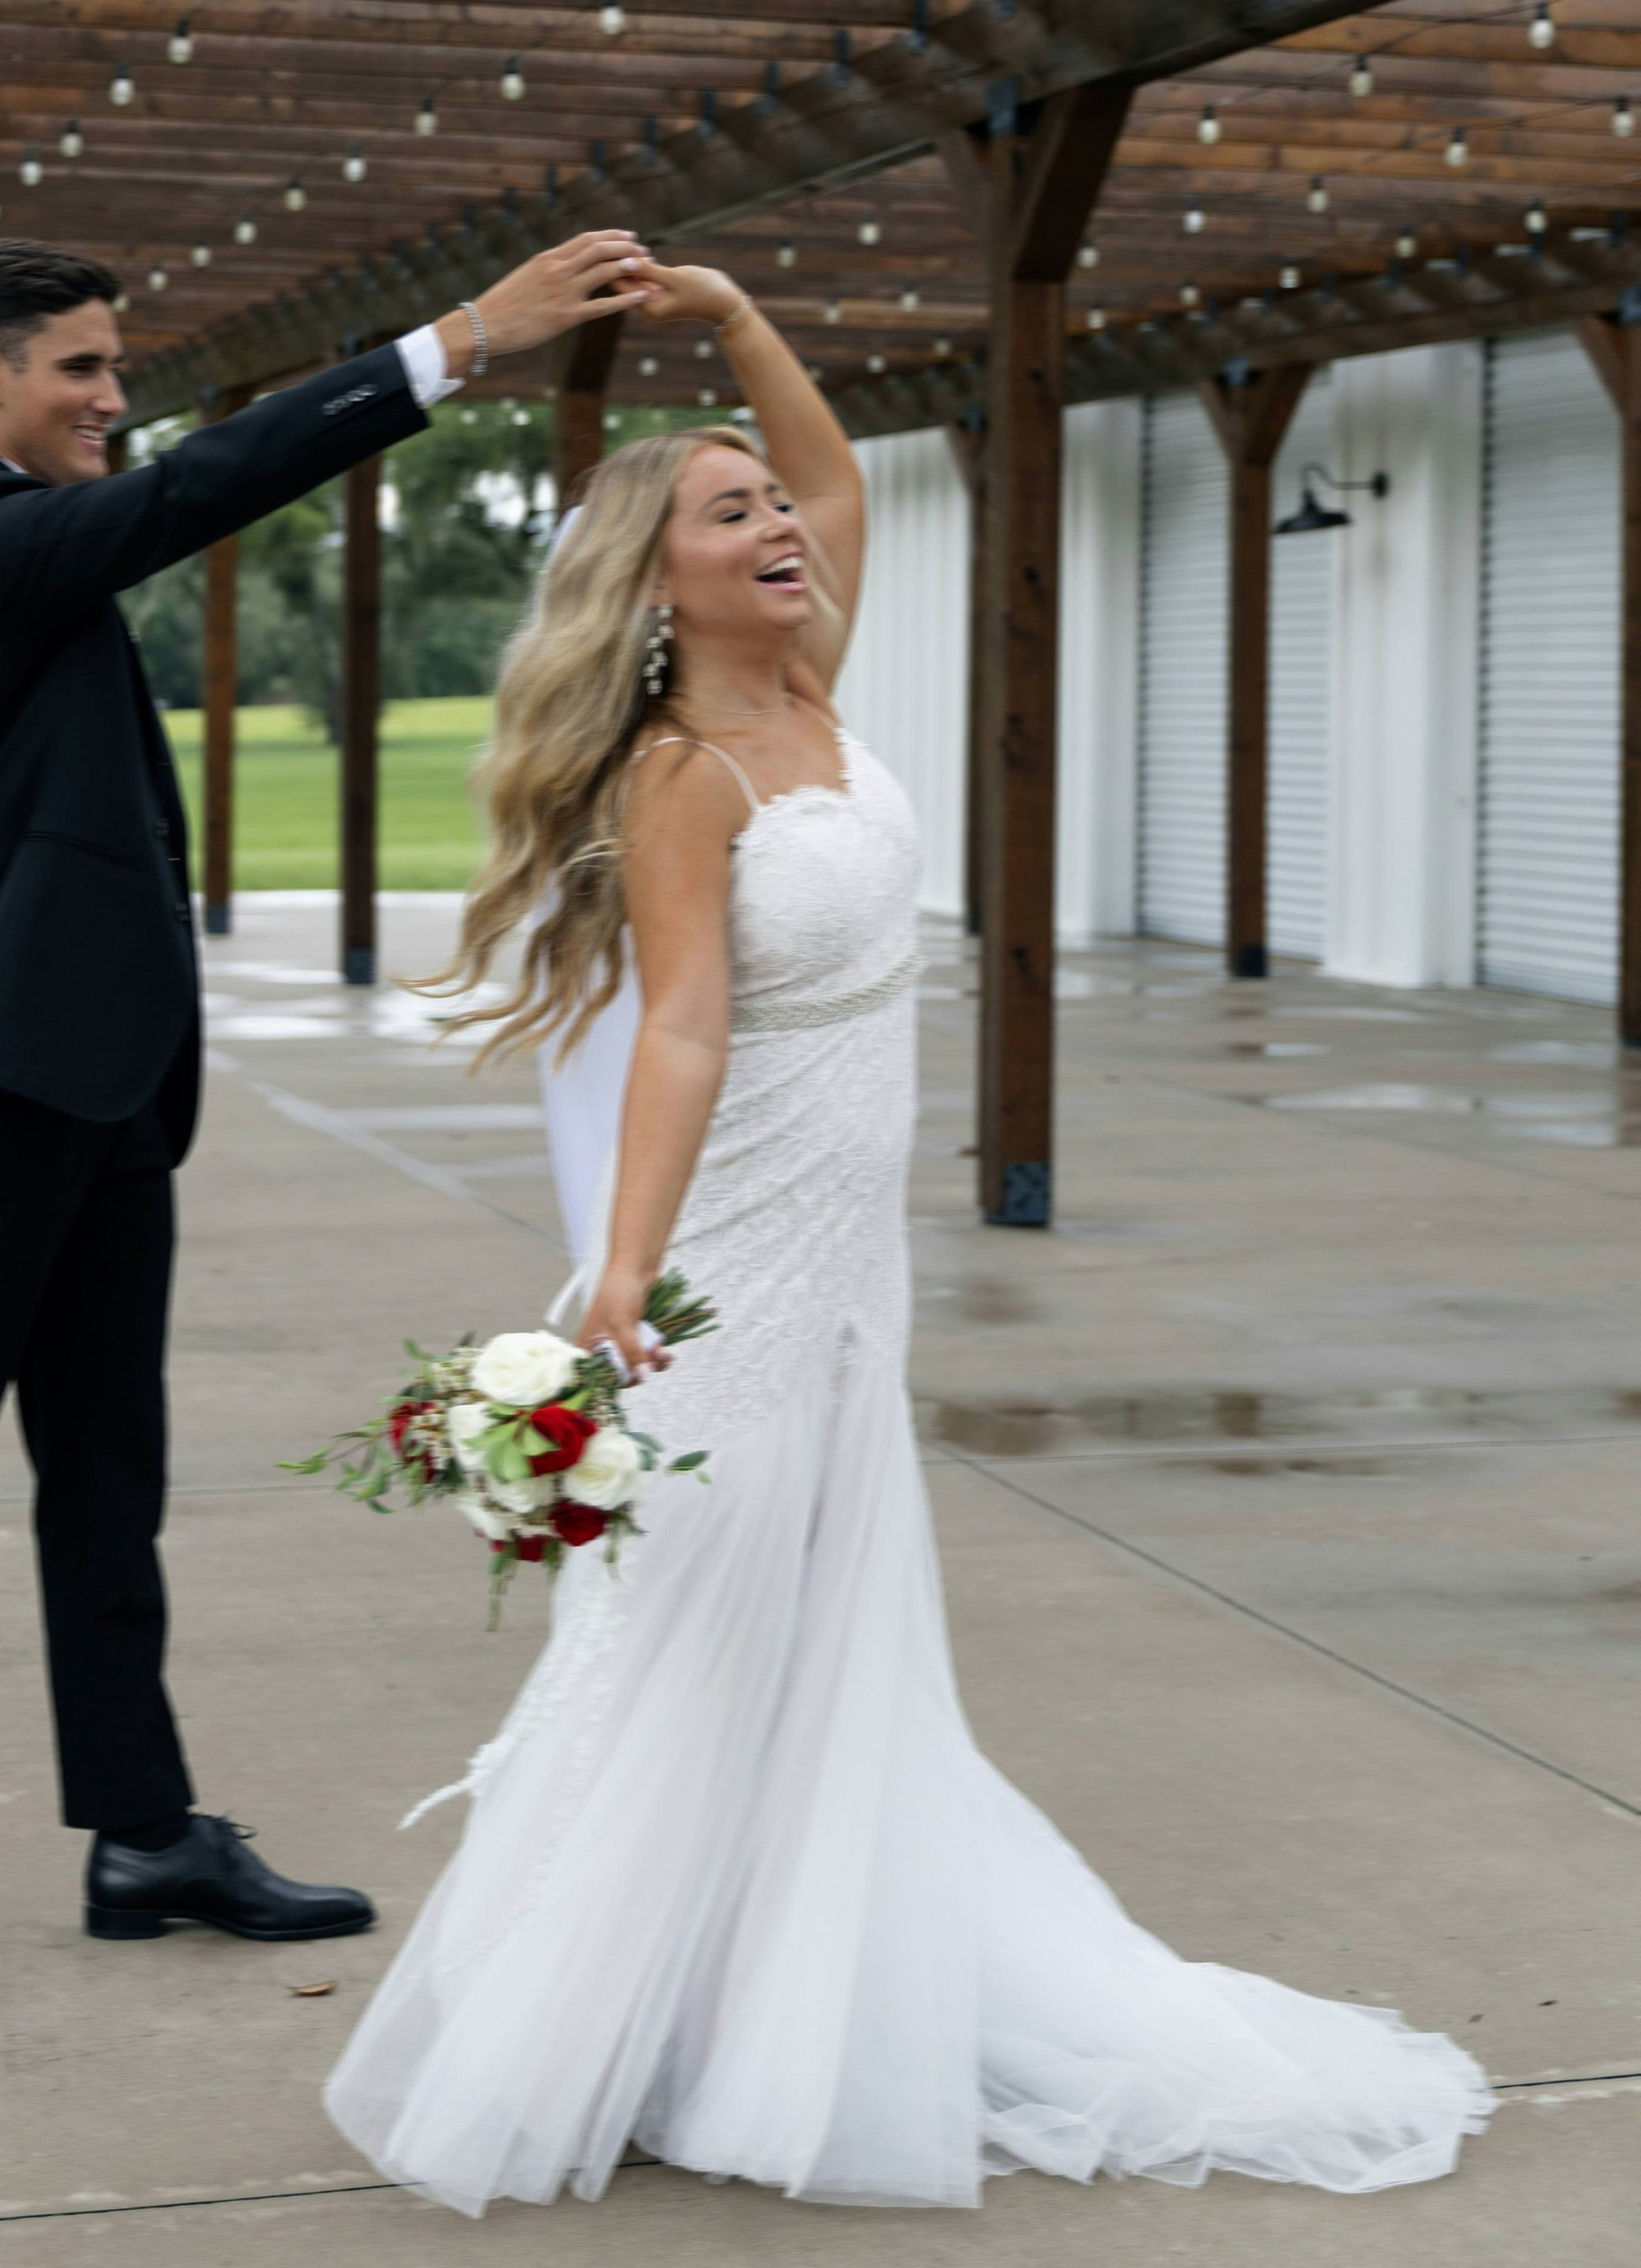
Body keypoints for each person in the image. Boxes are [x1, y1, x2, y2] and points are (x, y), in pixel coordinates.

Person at [323, 258, 1493, 2211]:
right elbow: (682, 1029)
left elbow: (838, 475)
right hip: (750, 1237)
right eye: (730, 516)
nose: (777, 524)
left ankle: (732, 2003)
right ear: (658, 583)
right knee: (697, 1620)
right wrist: (624, 1266)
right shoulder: (682, 776)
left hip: (856, 1252)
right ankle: (585, 2020)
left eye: (767, 505)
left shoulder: (808, 683)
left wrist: (732, 321)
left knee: (809, 1627)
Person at [0, 232, 656, 2033]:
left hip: (101, 1086)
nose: (114, 397)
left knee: (110, 1474)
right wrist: (457, 342)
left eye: (119, 367)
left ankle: (142, 1835)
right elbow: (200, 488)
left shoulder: (42, 545)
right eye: (81, 368)